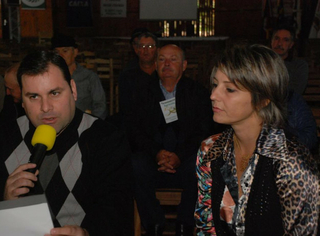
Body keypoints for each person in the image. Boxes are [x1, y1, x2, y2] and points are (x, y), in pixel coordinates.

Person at [0, 51, 134, 235]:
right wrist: (5, 202)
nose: (46, 107)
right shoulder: (3, 138)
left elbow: (118, 216)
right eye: (34, 97)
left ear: (73, 90)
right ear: (22, 100)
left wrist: (85, 233)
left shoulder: (106, 138)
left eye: (54, 93)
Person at [195, 44, 319, 235]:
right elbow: (206, 226)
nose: (213, 95)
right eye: (214, 84)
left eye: (229, 89)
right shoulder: (211, 149)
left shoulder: (291, 160)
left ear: (263, 99)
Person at [130, 44, 213, 236]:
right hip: (154, 160)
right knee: (135, 165)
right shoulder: (142, 92)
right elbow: (134, 131)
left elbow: (203, 131)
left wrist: (179, 156)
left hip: (184, 160)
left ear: (184, 65)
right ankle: (154, 224)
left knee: (200, 164)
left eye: (173, 59)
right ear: (156, 65)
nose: (167, 64)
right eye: (161, 59)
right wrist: (157, 153)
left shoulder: (198, 92)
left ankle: (184, 225)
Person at [51, 33, 108, 119]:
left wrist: (90, 124)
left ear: (75, 52)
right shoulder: (50, 78)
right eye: (57, 52)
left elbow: (100, 106)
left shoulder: (89, 77)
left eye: (65, 51)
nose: (60, 56)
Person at [118, 31, 158, 123]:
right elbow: (125, 108)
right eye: (142, 46)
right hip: (136, 123)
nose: (146, 50)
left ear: (157, 49)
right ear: (137, 50)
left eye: (150, 46)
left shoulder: (164, 73)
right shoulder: (127, 75)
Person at [271, 25, 309, 95]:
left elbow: (296, 91)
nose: (279, 43)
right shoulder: (263, 63)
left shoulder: (299, 65)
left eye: (285, 40)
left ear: (291, 44)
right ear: (271, 41)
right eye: (277, 38)